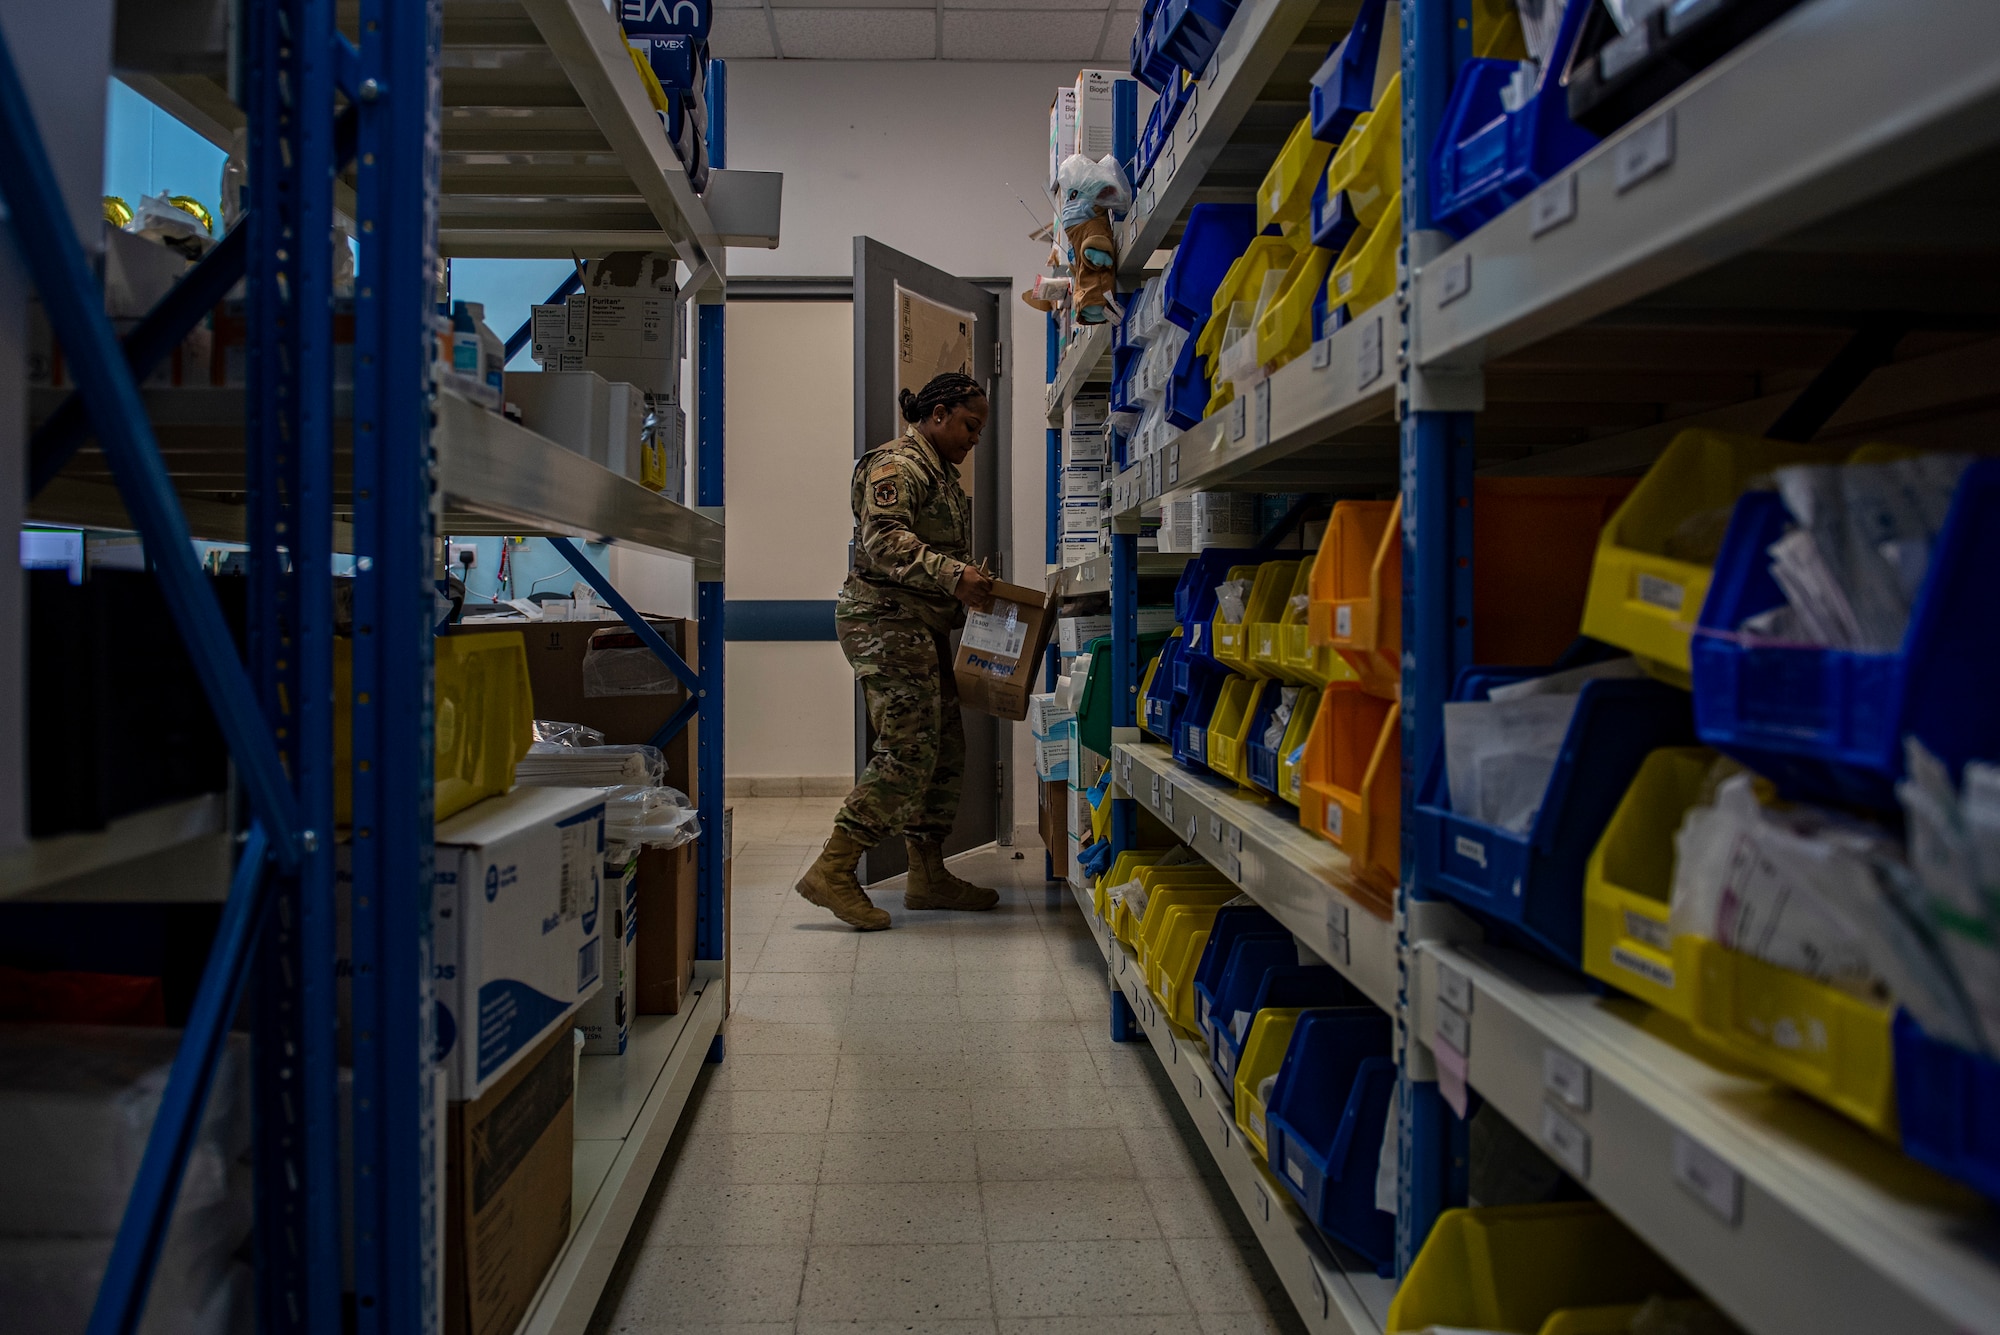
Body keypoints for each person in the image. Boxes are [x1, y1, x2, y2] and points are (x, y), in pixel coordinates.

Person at [796, 372, 1004, 930]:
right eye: (969, 425)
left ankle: (927, 875)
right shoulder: (896, 465)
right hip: (883, 623)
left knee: (945, 750)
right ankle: (833, 869)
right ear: (937, 413)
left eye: (979, 429)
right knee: (908, 747)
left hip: (920, 624)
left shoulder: (938, 473)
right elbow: (883, 538)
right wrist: (953, 573)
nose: (973, 438)